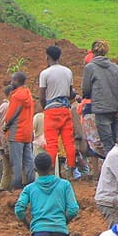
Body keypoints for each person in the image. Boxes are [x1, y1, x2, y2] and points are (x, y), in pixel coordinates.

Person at [38, 45, 81, 178]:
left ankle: (50, 171)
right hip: (65, 109)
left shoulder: (45, 73)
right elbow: (70, 92)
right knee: (68, 141)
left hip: (51, 111)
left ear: (47, 57)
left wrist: (45, 106)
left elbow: (42, 95)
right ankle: (72, 169)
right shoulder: (67, 71)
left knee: (52, 143)